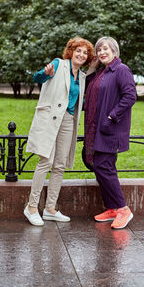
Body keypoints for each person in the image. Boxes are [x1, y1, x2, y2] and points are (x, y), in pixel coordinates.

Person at [24, 37, 94, 226]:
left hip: (68, 120)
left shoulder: (81, 76)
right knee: (45, 160)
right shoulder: (58, 64)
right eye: (78, 50)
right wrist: (45, 73)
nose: (81, 54)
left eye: (85, 53)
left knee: (60, 165)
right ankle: (31, 207)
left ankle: (50, 209)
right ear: (71, 52)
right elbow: (37, 77)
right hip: (50, 118)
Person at [84, 36, 136, 229]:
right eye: (99, 50)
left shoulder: (121, 70)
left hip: (110, 128)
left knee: (104, 168)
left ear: (114, 50)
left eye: (106, 49)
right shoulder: (102, 72)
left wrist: (112, 117)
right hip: (98, 128)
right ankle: (113, 208)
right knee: (102, 168)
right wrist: (93, 67)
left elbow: (130, 96)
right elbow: (89, 88)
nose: (102, 52)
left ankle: (123, 209)